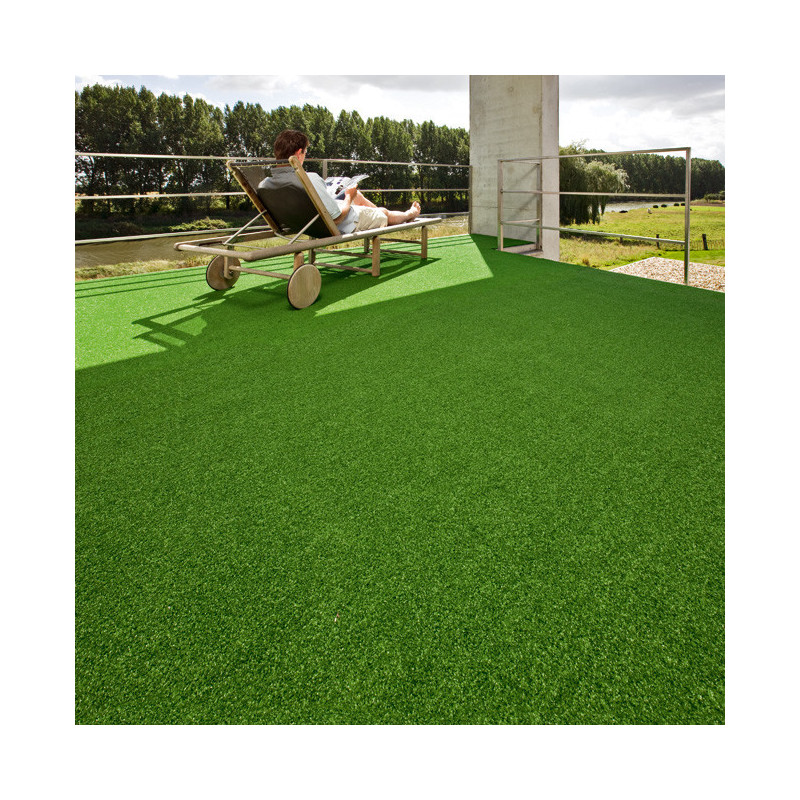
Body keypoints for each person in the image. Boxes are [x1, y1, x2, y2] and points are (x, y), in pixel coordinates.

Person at [257, 129, 422, 235]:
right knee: (382, 212)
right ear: (299, 153)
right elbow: (336, 219)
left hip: (307, 222)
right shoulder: (309, 179)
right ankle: (409, 214)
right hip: (343, 223)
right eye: (306, 152)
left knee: (358, 195)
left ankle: (377, 212)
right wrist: (348, 197)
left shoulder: (265, 184)